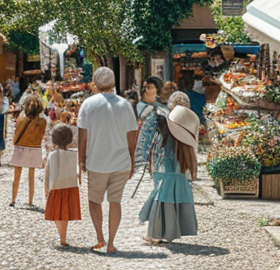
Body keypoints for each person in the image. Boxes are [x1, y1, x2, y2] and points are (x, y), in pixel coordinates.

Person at [77, 67, 138, 254]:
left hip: (96, 162)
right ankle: (112, 242)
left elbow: (82, 136)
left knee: (95, 201)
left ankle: (100, 238)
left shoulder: (88, 105)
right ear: (113, 84)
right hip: (120, 162)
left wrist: (81, 160)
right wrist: (132, 159)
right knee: (115, 202)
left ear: (95, 83)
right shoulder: (125, 105)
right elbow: (132, 136)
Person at [138, 96, 199, 245]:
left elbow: (158, 153)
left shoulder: (166, 134)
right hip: (175, 174)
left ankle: (154, 234)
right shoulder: (184, 143)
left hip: (164, 172)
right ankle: (167, 234)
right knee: (170, 204)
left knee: (160, 204)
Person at [44, 123, 81, 247]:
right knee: (65, 214)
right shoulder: (73, 155)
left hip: (55, 187)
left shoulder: (52, 155)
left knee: (57, 213)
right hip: (71, 186)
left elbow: (47, 174)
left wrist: (46, 189)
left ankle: (61, 236)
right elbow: (78, 172)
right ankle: (63, 238)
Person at [9, 93, 47, 207]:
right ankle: (30, 202)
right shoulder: (42, 121)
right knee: (31, 175)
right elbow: (41, 136)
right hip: (34, 147)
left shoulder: (20, 117)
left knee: (17, 176)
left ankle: (13, 199)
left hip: (20, 146)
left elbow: (16, 132)